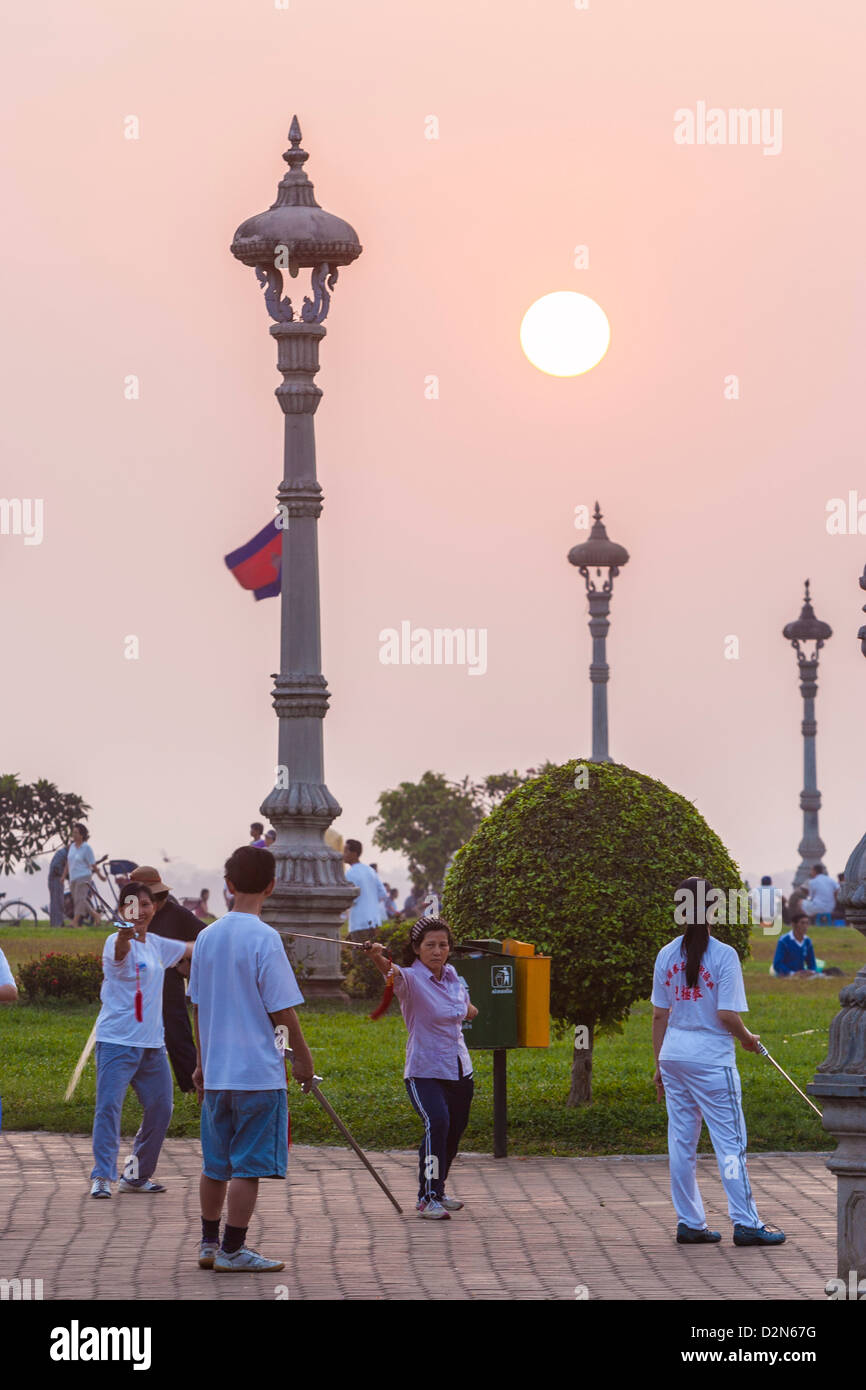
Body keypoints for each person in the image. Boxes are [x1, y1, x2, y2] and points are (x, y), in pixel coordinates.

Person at [189, 845, 315, 1273]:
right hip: (258, 1075)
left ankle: (208, 1244)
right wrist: (302, 1058)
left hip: (217, 1074)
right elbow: (282, 1010)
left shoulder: (206, 937)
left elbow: (198, 1007)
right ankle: (233, 1250)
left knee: (216, 1164)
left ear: (228, 884)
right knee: (248, 1165)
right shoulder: (265, 938)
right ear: (270, 886)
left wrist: (202, 1063)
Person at [651, 877, 785, 1248]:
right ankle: (746, 1222)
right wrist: (748, 1039)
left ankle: (690, 1223)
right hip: (711, 1060)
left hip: (674, 1055)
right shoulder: (724, 955)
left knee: (681, 1143)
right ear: (713, 910)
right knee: (730, 1144)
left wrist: (659, 1065)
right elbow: (726, 1014)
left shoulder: (665, 955)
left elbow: (659, 1017)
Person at [367, 913, 478, 1220]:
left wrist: (470, 1010)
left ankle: (439, 1189)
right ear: (417, 948)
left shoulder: (453, 975)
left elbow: (466, 1008)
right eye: (430, 945)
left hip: (459, 1069)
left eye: (443, 945)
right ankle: (426, 1197)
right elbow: (390, 973)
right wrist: (377, 956)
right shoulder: (411, 979)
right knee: (437, 1123)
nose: (437, 951)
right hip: (424, 1071)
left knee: (453, 1132)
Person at [89, 882, 194, 1199]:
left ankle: (135, 1175)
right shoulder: (114, 941)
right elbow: (120, 954)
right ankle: (102, 1177)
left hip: (152, 1045)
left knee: (161, 1108)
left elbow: (194, 948)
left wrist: (234, 933)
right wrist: (124, 936)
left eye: (147, 904)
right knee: (108, 1108)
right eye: (133, 905)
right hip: (117, 1041)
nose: (141, 910)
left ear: (154, 908)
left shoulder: (158, 945)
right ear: (122, 910)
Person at [129, 866, 205, 1094]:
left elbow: (206, 940)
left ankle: (192, 1085)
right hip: (140, 984)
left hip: (168, 982)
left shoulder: (178, 914)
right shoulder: (134, 916)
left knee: (176, 1033)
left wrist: (187, 964)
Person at [343, 840, 389, 936]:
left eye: (346, 851)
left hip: (359, 923)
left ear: (354, 853)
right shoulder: (370, 870)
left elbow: (349, 898)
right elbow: (383, 894)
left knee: (360, 950)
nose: (343, 854)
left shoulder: (350, 873)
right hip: (375, 921)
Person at [66, 823, 106, 928]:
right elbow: (68, 862)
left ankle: (75, 922)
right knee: (79, 900)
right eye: (73, 832)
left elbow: (92, 863)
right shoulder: (72, 847)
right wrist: (63, 876)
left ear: (81, 835)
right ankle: (95, 915)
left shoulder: (86, 848)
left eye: (76, 833)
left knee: (80, 898)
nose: (73, 835)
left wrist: (100, 875)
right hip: (73, 877)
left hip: (84, 876)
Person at [772, 913, 818, 977]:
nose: (805, 926)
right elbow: (777, 964)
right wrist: (792, 973)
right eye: (802, 923)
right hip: (786, 975)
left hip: (801, 974)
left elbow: (812, 963)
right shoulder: (784, 941)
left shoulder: (807, 941)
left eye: (807, 923)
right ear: (794, 925)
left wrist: (812, 971)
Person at [47, 843, 68, 927]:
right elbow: (56, 868)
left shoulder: (61, 853)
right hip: (56, 879)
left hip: (55, 879)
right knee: (57, 902)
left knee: (57, 902)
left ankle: (57, 923)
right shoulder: (63, 854)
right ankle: (57, 924)